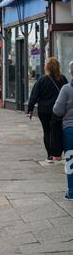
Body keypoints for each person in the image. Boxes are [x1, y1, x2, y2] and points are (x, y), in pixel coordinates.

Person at [28, 57, 68, 163]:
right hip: (59, 110)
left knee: (47, 132)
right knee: (58, 131)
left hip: (44, 110)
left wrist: (30, 109)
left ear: (47, 67)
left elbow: (34, 95)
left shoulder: (42, 80)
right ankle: (58, 154)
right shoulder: (63, 79)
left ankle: (50, 155)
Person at [53, 61, 73, 201]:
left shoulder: (66, 89)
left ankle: (72, 192)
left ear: (71, 72)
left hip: (70, 130)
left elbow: (57, 110)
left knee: (71, 161)